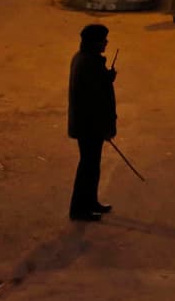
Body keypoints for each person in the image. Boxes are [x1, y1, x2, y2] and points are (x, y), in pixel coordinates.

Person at [68, 24, 117, 221]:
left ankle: (90, 202)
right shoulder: (89, 64)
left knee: (92, 166)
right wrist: (104, 128)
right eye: (103, 40)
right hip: (89, 126)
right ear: (94, 42)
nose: (106, 43)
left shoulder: (85, 59)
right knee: (88, 167)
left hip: (87, 124)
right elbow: (94, 100)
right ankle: (79, 209)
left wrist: (106, 78)